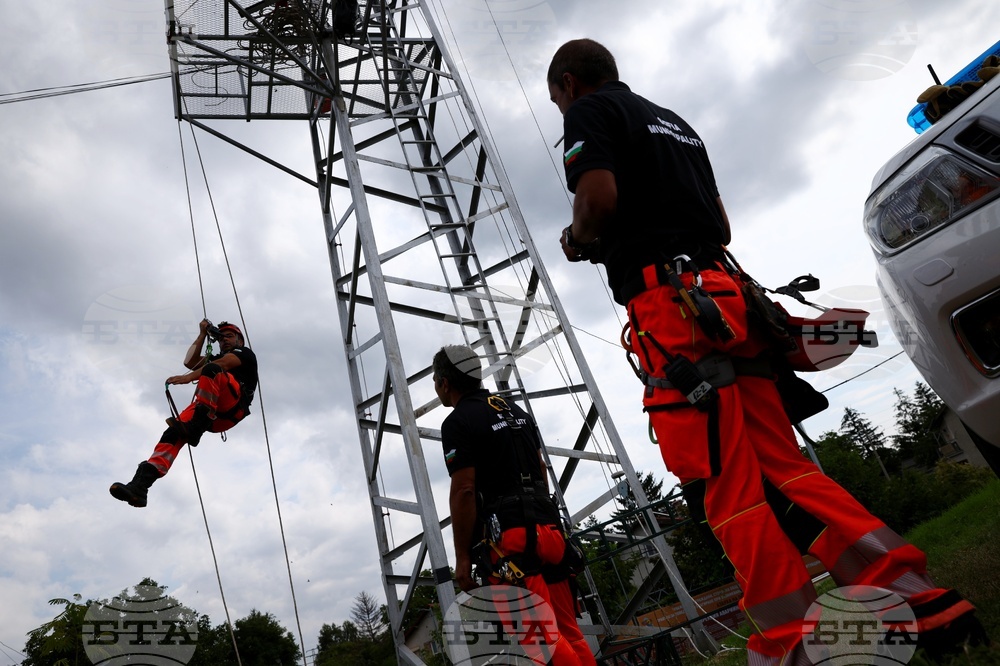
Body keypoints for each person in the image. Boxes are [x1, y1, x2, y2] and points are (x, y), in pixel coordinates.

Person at [547, 38, 986, 664]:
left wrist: (578, 236)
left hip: (673, 314)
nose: (560, 107)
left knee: (728, 489)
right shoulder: (677, 124)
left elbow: (598, 202)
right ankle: (913, 596)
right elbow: (720, 227)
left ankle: (788, 644)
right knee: (788, 471)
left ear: (569, 83)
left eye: (557, 97)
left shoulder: (589, 114)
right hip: (726, 300)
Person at [433, 345, 596, 666]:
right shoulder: (515, 411)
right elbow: (540, 469)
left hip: (511, 542)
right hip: (550, 532)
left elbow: (464, 490)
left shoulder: (457, 422)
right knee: (569, 632)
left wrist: (463, 557)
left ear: (444, 383)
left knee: (541, 643)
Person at [109, 319, 258, 508]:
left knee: (212, 369)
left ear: (240, 340)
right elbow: (190, 362)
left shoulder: (244, 354)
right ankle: (140, 486)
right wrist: (202, 334)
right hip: (211, 415)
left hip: (231, 406)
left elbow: (222, 364)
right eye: (221, 338)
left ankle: (195, 427)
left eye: (229, 336)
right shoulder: (215, 359)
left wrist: (188, 378)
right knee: (173, 433)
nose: (224, 340)